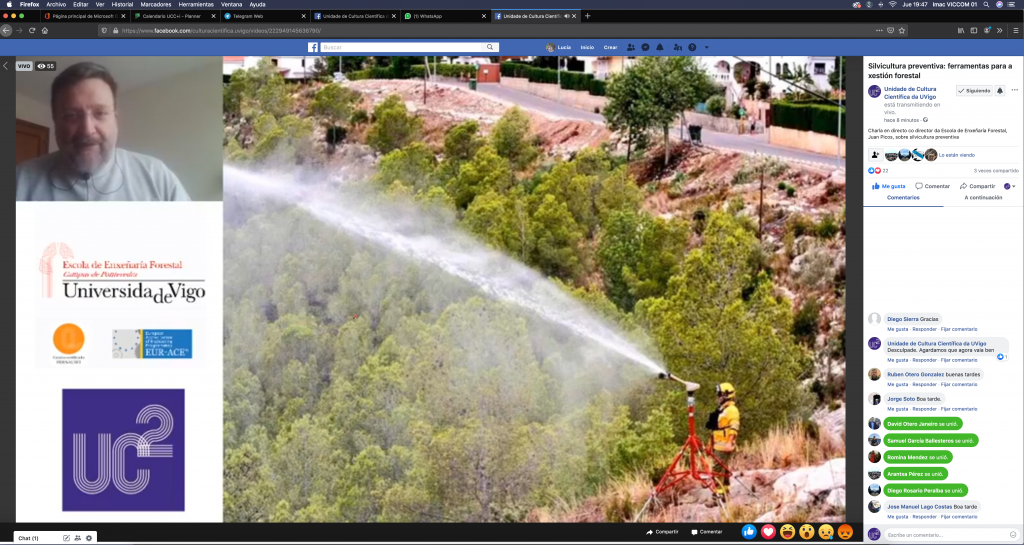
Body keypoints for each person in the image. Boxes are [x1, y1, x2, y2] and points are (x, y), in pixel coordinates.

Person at [16, 61, 190, 201]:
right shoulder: (20, 182)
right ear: (55, 120)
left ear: (115, 118)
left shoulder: (156, 177)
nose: (87, 130)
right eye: (71, 115)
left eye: (100, 113)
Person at [706, 382, 740, 502]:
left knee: (716, 471)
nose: (718, 397)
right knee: (724, 470)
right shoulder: (722, 410)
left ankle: (717, 498)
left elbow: (734, 427)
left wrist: (729, 442)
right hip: (718, 445)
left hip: (724, 447)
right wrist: (710, 444)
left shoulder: (732, 410)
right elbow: (716, 430)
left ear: (726, 395)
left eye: (719, 394)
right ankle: (725, 495)